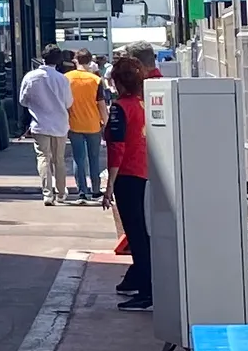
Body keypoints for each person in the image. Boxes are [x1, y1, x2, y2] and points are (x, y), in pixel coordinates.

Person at [106, 47, 157, 309]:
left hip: (127, 175)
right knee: (142, 233)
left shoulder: (120, 108)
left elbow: (117, 148)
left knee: (136, 235)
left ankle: (147, 290)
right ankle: (141, 281)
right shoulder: (142, 104)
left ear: (119, 82)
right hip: (144, 172)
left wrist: (109, 186)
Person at [19, 47, 73, 203]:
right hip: (60, 124)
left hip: (39, 123)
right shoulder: (62, 79)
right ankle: (61, 192)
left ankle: (47, 193)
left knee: (43, 157)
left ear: (42, 58)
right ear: (59, 61)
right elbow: (69, 102)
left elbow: (23, 100)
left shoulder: (31, 77)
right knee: (59, 159)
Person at [64, 54, 106, 204]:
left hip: (74, 124)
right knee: (94, 158)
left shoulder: (67, 78)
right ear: (90, 61)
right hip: (93, 124)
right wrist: (106, 123)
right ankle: (95, 190)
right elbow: (101, 105)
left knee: (78, 158)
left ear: (75, 60)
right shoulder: (96, 80)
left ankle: (82, 192)